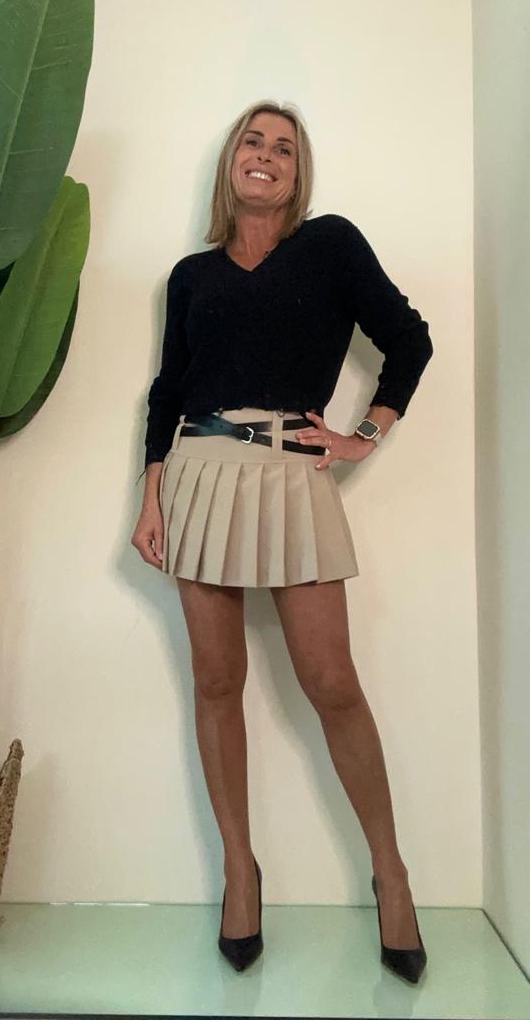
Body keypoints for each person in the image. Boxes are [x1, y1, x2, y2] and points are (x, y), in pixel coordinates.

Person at [131, 99, 433, 983]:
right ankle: (241, 870)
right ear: (232, 160)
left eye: (284, 149)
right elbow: (168, 390)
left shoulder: (330, 244)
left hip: (293, 474)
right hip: (199, 472)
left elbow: (409, 341)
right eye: (253, 142)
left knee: (332, 682)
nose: (265, 156)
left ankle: (391, 873)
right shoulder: (191, 275)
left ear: (299, 175)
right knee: (216, 680)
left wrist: (362, 435)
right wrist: (150, 497)